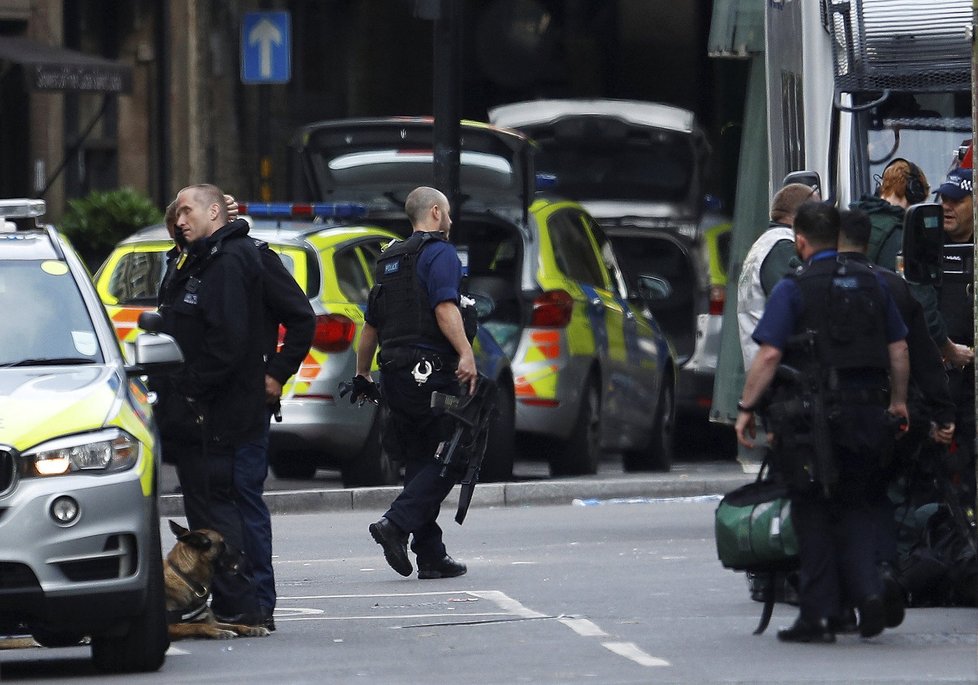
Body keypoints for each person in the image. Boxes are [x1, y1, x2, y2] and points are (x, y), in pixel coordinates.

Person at [735, 202, 910, 643]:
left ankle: (819, 616)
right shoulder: (873, 282)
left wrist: (746, 407)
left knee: (813, 512)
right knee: (856, 504)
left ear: (800, 240)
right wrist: (899, 402)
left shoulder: (795, 288)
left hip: (814, 422)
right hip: (869, 414)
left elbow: (769, 354)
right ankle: (865, 594)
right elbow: (899, 348)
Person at [155, 183, 267, 625]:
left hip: (215, 413)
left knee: (222, 511)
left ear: (215, 212)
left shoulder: (229, 260)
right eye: (176, 216)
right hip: (193, 413)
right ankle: (233, 605)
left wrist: (190, 387)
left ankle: (245, 607)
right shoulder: (195, 259)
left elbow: (226, 342)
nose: (179, 222)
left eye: (186, 212)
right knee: (206, 507)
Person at [355, 186, 477, 580]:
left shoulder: (390, 258)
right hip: (431, 373)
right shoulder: (440, 253)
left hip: (394, 373)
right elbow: (445, 308)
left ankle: (430, 554)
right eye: (449, 214)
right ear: (437, 213)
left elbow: (370, 326)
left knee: (421, 459)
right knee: (452, 456)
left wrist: (362, 373)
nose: (451, 221)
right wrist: (466, 353)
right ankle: (395, 524)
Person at [849, 158, 968, 366]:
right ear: (913, 192)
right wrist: (950, 350)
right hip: (886, 356)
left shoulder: (850, 222)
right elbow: (923, 305)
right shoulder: (902, 236)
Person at [735, 182, 817, 475]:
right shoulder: (783, 248)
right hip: (786, 377)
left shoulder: (764, 245)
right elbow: (801, 306)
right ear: (799, 217)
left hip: (770, 375)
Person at [936, 167, 976, 504]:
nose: (946, 206)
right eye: (943, 198)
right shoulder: (926, 249)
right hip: (940, 384)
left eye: (957, 200)